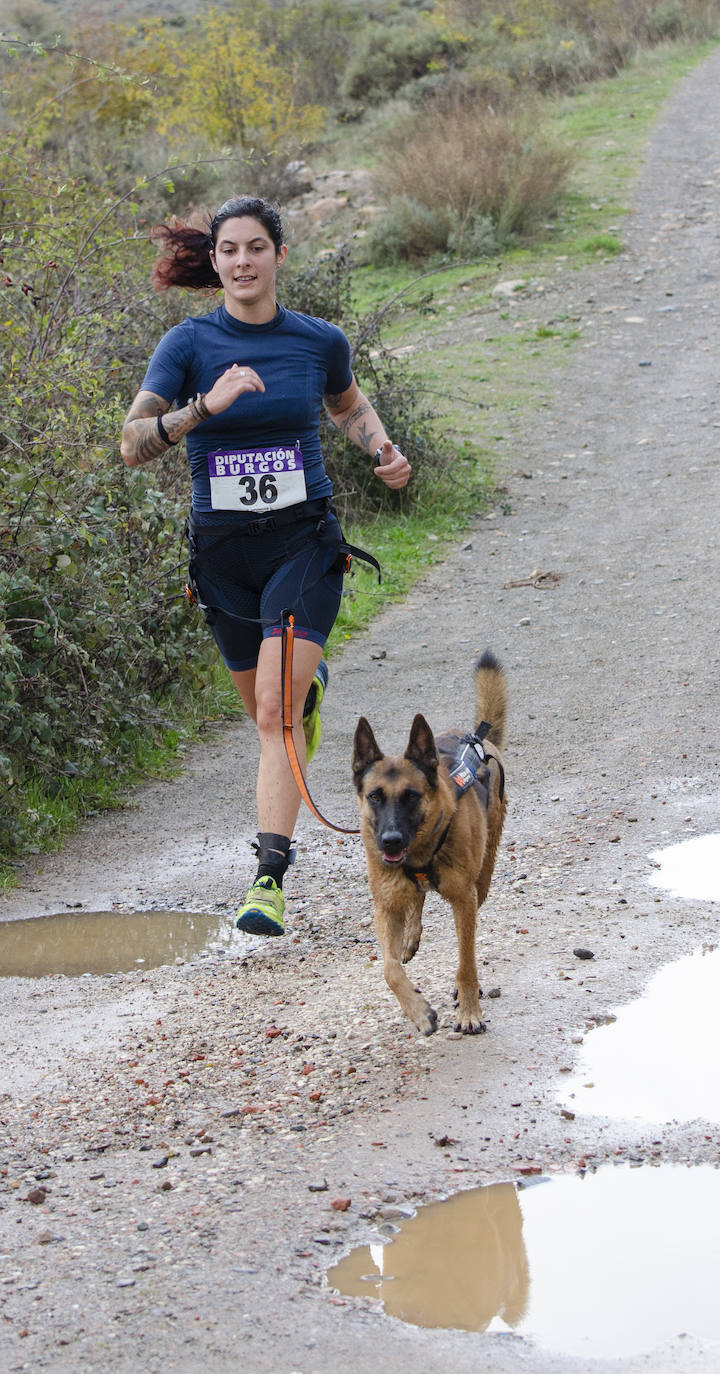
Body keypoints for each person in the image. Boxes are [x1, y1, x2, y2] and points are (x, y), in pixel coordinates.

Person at [120, 195, 411, 937]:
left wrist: (381, 450)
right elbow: (132, 443)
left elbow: (347, 406)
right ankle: (303, 695)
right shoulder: (187, 344)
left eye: (256, 247)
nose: (243, 262)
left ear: (280, 255)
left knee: (276, 711)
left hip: (303, 542)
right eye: (229, 251)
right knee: (267, 711)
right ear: (213, 262)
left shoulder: (317, 340)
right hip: (221, 556)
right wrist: (203, 408)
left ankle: (268, 879)